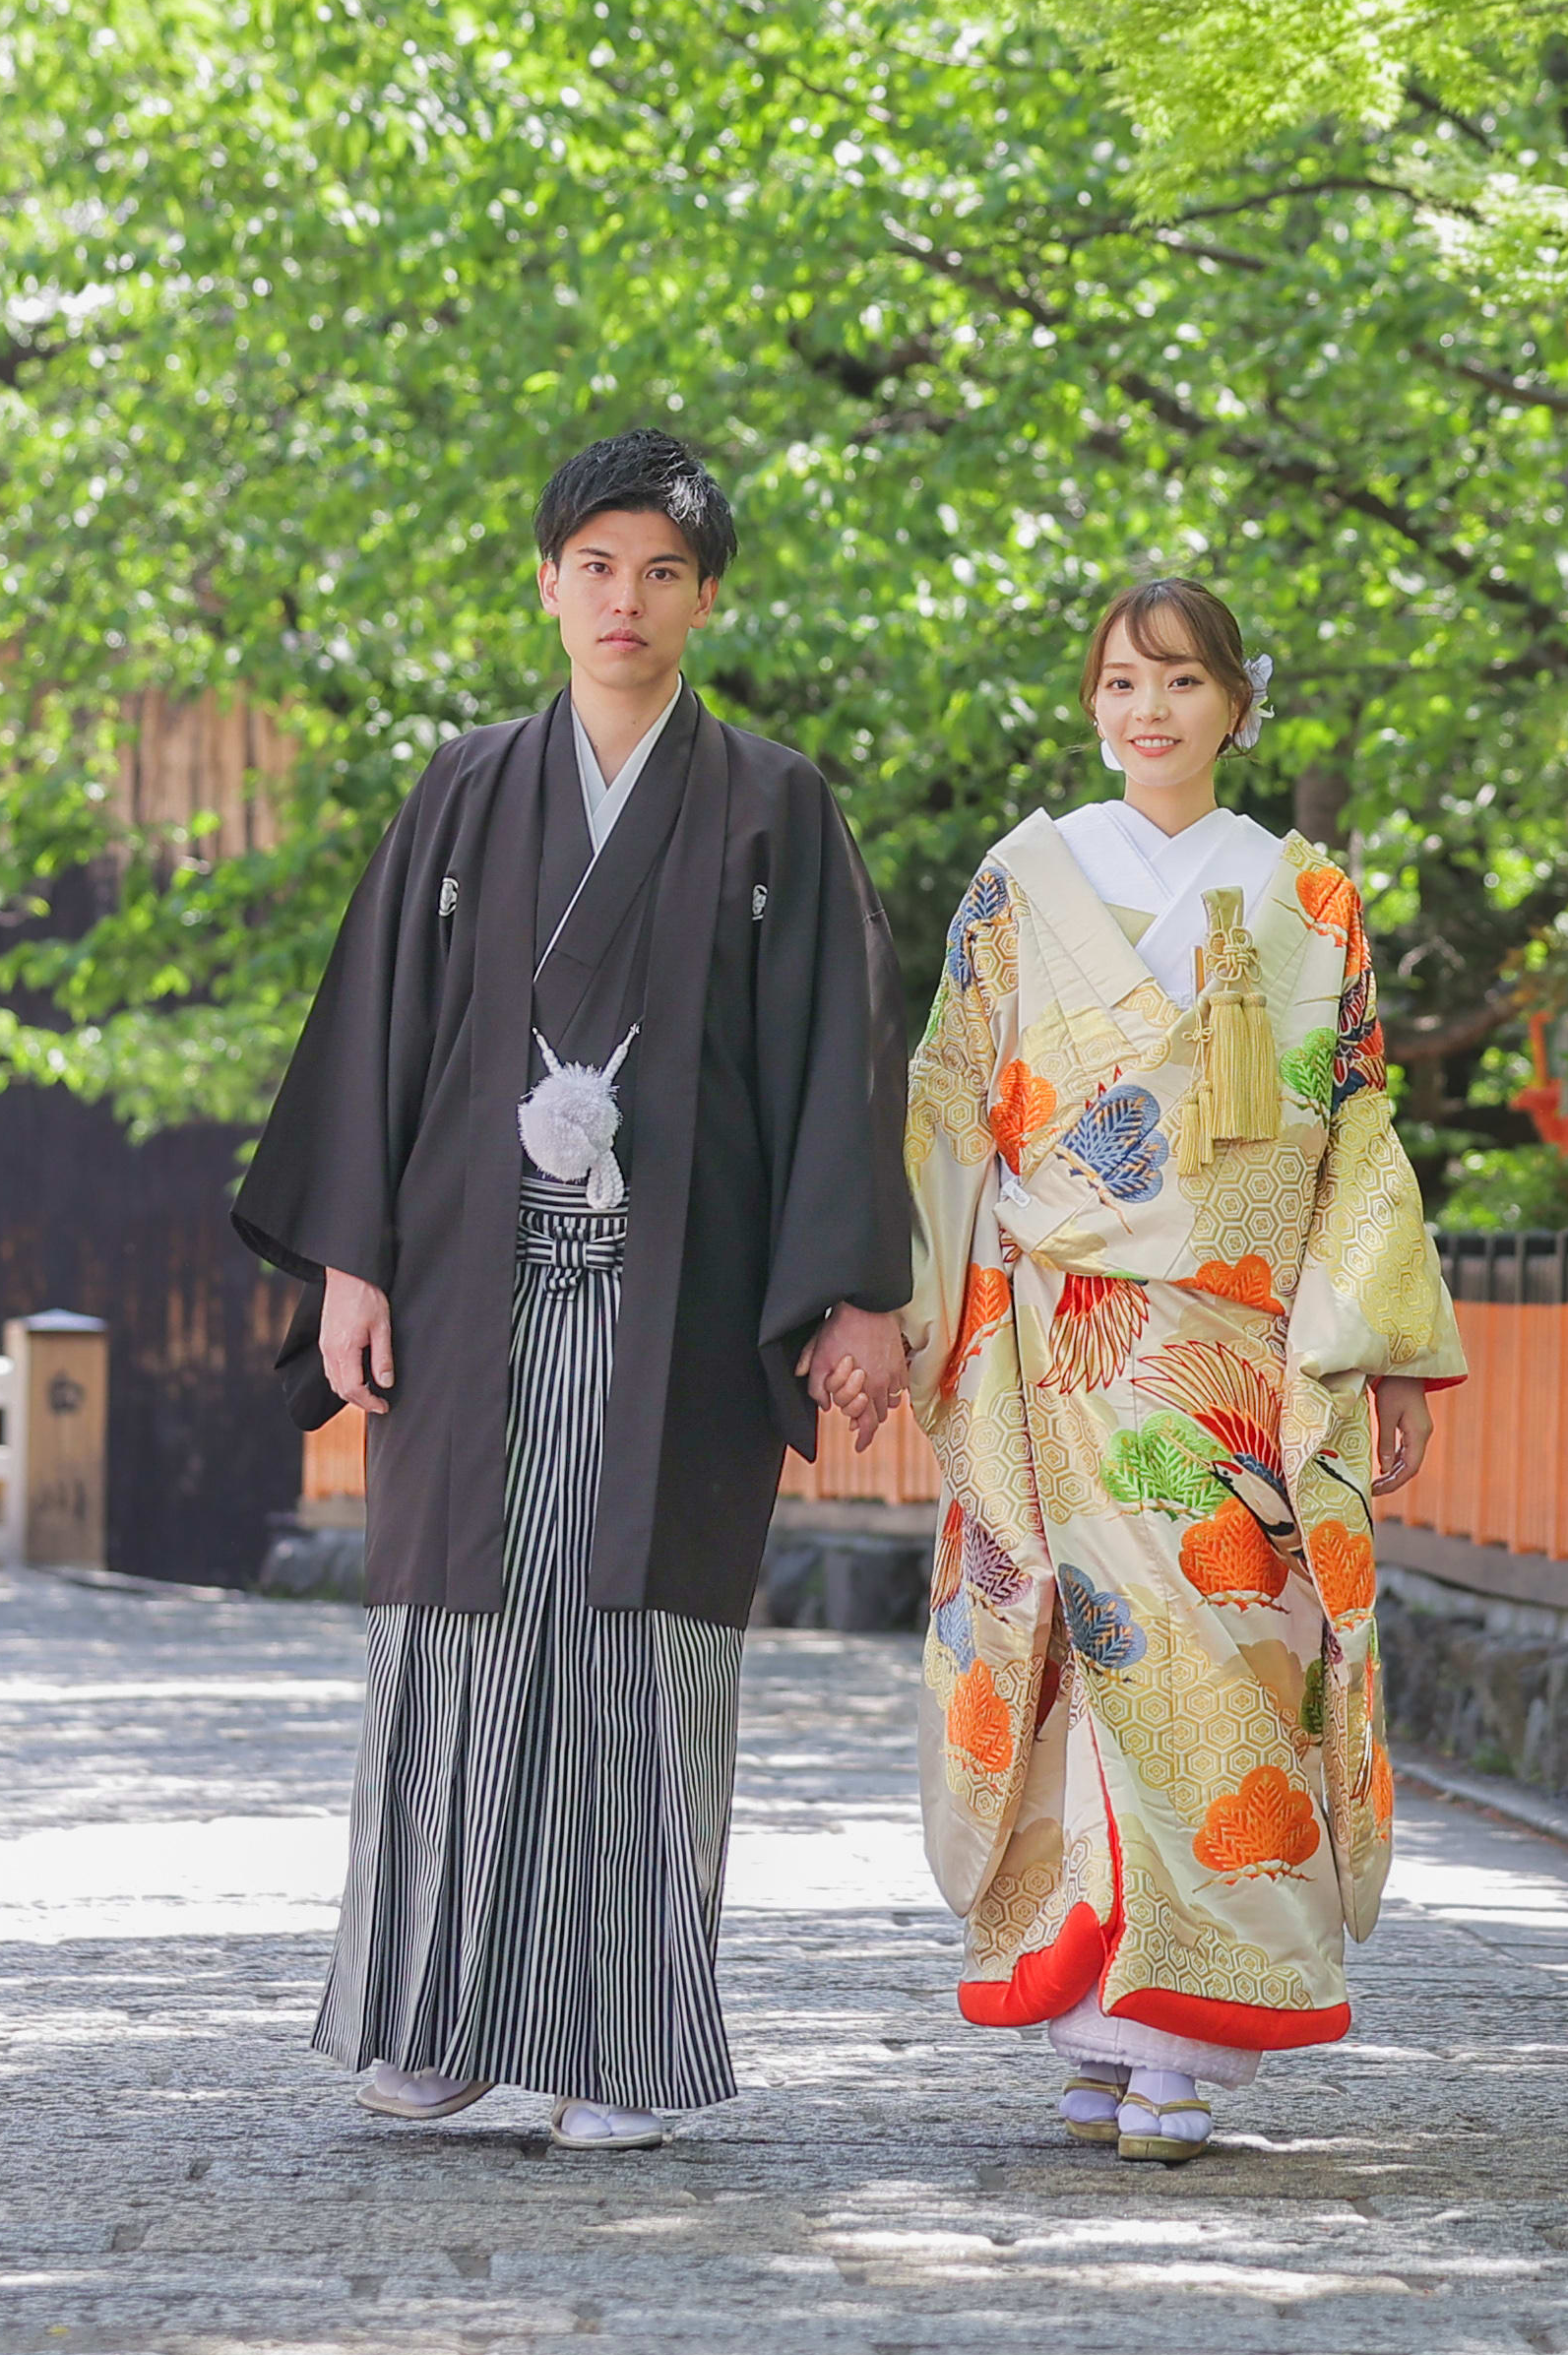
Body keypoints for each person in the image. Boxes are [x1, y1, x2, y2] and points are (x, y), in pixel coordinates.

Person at [230, 429, 914, 2151]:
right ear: (548, 584)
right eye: (597, 567)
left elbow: (839, 1062)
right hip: (469, 1284)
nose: (627, 601)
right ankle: (440, 2018)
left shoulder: (774, 807)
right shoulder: (466, 791)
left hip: (680, 1302)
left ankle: (616, 2046)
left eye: (662, 574)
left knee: (637, 1650)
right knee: (458, 1638)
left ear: (705, 601)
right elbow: (379, 1040)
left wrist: (851, 1291)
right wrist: (352, 1266)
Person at [868, 575, 1464, 2165]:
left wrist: (1385, 1352)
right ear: (1092, 704)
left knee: (1219, 1660)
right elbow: (947, 1101)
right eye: (1124, 682)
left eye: (1184, 681)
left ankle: (1182, 2032)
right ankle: (1098, 2017)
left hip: (1236, 1359)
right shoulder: (1022, 880)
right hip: (1056, 1344)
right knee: (1070, 1657)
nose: (1151, 711)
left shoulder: (1305, 894)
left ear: (1236, 706)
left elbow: (1356, 1128)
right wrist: (901, 1312)